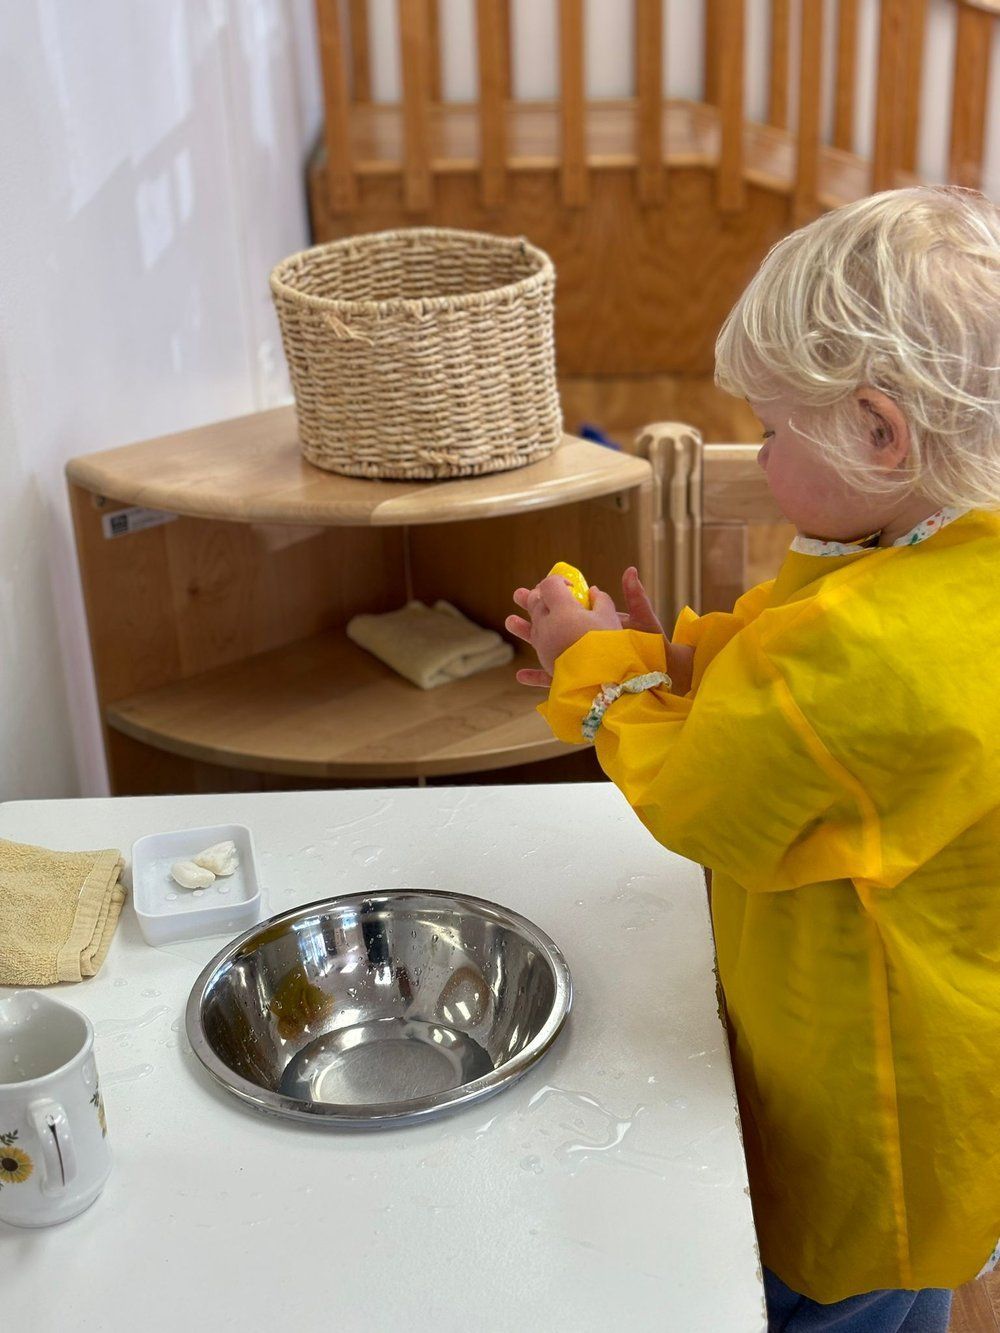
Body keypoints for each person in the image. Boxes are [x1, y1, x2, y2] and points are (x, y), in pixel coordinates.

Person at [507, 186, 1000, 1332]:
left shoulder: (873, 649)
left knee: (846, 1297)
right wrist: (679, 661)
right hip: (955, 1039)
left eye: (775, 430)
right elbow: (815, 691)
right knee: (907, 1283)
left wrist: (598, 677)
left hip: (867, 1086)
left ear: (881, 433)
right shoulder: (948, 560)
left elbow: (714, 793)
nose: (764, 450)